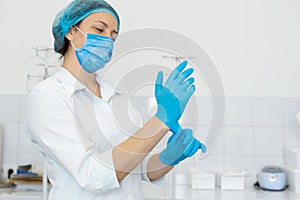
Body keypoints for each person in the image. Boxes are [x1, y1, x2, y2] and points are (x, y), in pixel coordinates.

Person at [25, 0, 206, 199]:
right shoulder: (48, 97)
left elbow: (137, 167)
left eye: (113, 36)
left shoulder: (117, 94)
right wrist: (160, 121)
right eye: (99, 29)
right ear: (70, 31)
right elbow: (93, 175)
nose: (107, 40)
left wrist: (169, 157)